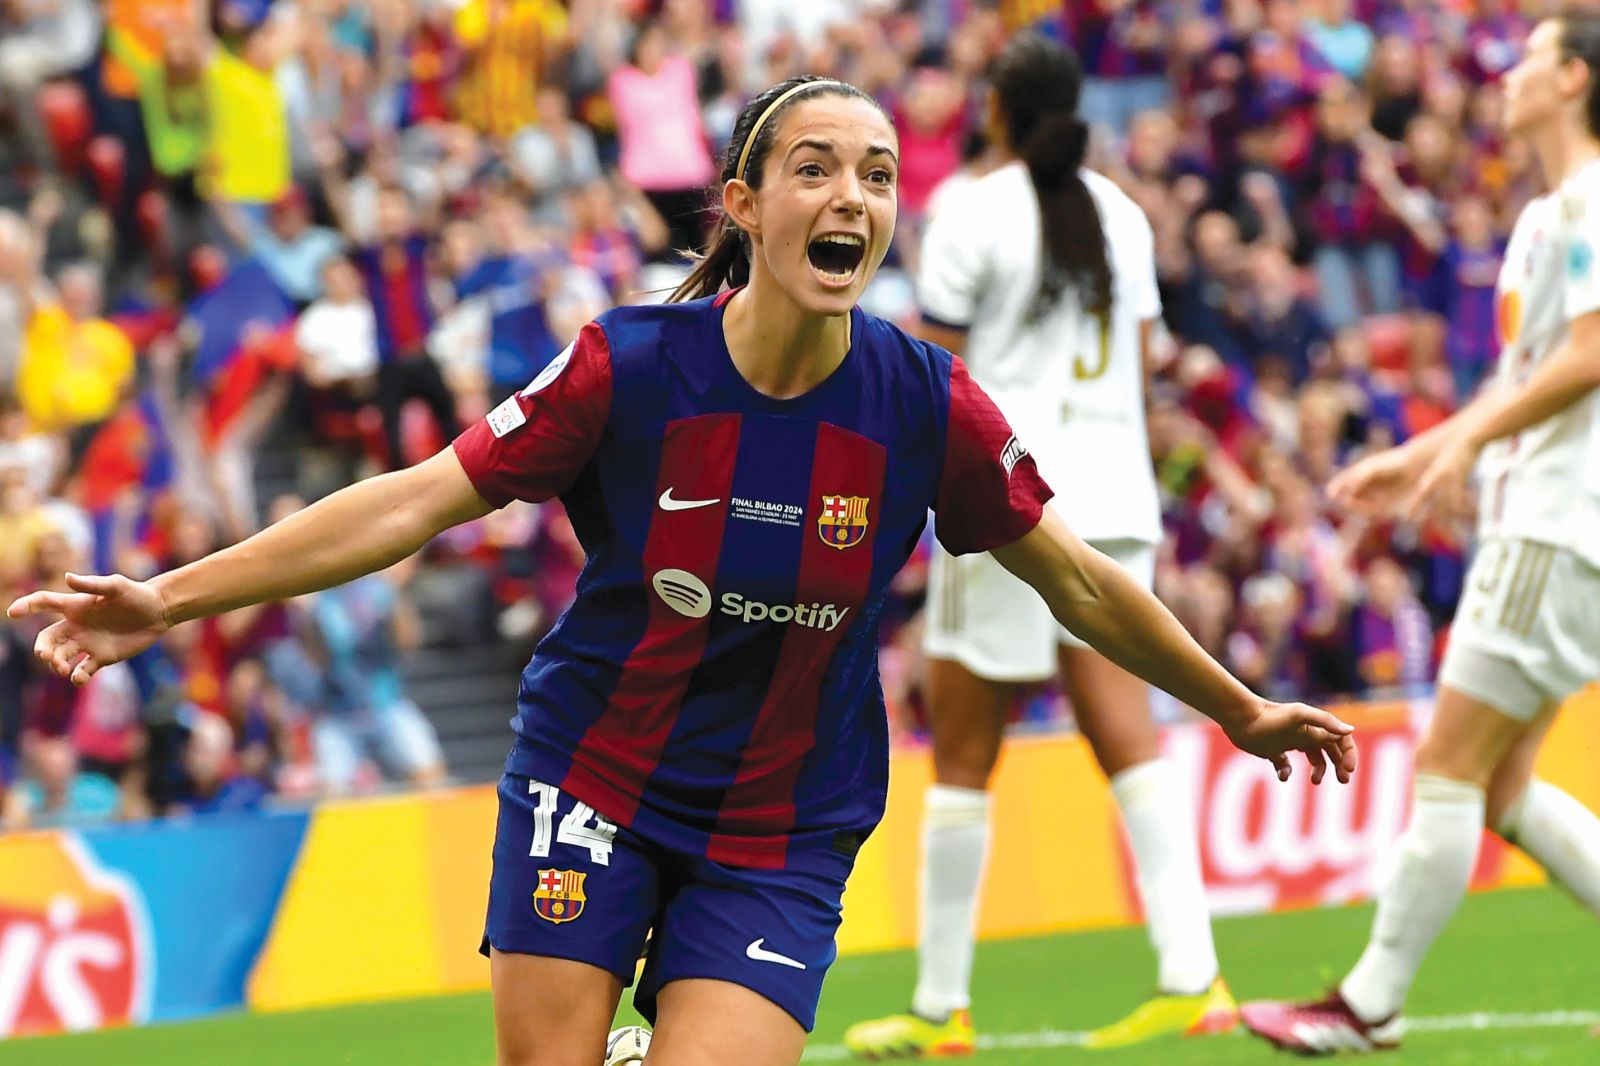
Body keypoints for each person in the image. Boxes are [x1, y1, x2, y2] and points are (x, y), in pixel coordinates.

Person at [11, 75, 1356, 1066]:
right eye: (818, 168)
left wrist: (1236, 707)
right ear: (746, 204)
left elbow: (1074, 581)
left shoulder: (924, 402)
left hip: (780, 822)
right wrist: (167, 596)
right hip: (596, 774)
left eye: (880, 175)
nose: (854, 198)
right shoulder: (629, 362)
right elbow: (417, 501)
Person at [844, 36, 1236, 1058]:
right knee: (1128, 736)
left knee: (966, 750)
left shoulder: (973, 208)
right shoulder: (1123, 211)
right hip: (1117, 497)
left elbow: (937, 364)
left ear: (997, 113)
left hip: (1011, 497)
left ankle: (940, 1006)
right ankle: (1194, 977)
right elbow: (1145, 360)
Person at [1242, 13, 1600, 1054]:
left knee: (1447, 765)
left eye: (1531, 58)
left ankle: (1368, 1003)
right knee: (1499, 788)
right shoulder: (1548, 213)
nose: (1510, 73)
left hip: (1554, 525)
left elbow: (1587, 356)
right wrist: (1441, 453)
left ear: (1572, 79)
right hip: (1538, 514)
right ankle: (1370, 1002)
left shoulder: (1587, 202)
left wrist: (1456, 447)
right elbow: (1529, 373)